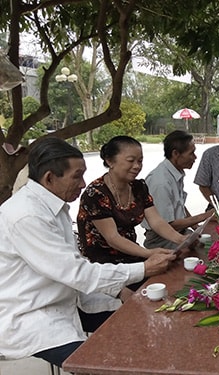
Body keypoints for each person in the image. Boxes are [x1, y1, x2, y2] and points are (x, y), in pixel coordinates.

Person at [0, 137, 172, 367]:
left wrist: (119, 291)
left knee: (142, 317)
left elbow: (75, 265)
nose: (83, 184)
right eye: (76, 176)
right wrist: (144, 267)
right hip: (34, 315)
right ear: (49, 178)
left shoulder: (53, 204)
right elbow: (77, 272)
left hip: (70, 298)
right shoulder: (26, 214)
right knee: (105, 365)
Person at [77, 135, 185, 271]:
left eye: (140, 161)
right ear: (110, 161)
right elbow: (113, 238)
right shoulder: (95, 194)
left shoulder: (138, 187)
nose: (137, 166)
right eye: (131, 161)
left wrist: (181, 240)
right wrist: (148, 253)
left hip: (130, 254)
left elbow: (156, 221)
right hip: (102, 264)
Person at [142, 130, 214, 249]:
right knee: (201, 251)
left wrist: (196, 227)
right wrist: (205, 216)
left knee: (209, 244)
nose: (195, 157)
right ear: (175, 154)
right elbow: (168, 224)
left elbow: (179, 205)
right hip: (161, 238)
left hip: (179, 231)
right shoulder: (161, 182)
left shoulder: (175, 173)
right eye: (191, 153)